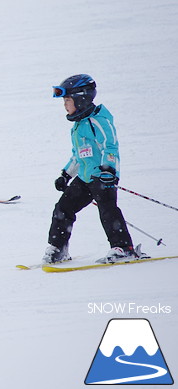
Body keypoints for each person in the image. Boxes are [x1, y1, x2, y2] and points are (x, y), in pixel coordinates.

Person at [43, 74, 147, 264]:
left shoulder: (99, 120)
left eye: (67, 100)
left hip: (102, 176)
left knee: (108, 211)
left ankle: (124, 248)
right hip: (84, 178)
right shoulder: (78, 126)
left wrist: (109, 170)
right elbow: (78, 155)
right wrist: (66, 174)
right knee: (63, 209)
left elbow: (111, 146)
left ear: (81, 98)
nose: (65, 105)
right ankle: (58, 249)